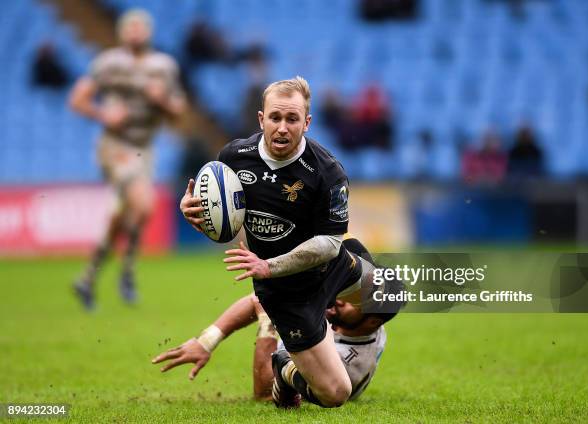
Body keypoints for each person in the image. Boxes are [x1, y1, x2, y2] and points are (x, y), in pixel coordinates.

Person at [180, 76, 368, 408]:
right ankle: (284, 369)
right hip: (286, 292)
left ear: (307, 123)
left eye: (292, 119)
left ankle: (363, 340)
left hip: (330, 266)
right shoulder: (234, 158)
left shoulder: (327, 172)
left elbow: (329, 243)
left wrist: (268, 264)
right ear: (261, 119)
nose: (282, 127)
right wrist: (193, 212)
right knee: (336, 393)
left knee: (391, 292)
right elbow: (216, 216)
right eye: (275, 118)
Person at [152, 237, 398, 404]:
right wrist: (207, 341)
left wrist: (268, 322)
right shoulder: (348, 310)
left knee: (273, 313)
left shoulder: (347, 366)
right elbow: (254, 299)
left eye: (352, 299)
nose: (341, 297)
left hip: (305, 371)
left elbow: (265, 393)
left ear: (372, 322)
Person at [69, 9, 186, 309]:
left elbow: (178, 113)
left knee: (131, 213)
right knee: (143, 203)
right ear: (122, 32)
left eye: (140, 27)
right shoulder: (109, 63)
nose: (135, 31)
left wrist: (162, 100)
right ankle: (128, 273)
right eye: (129, 27)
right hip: (115, 145)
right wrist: (102, 114)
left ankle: (88, 277)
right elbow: (78, 99)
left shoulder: (163, 66)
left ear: (148, 32)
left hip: (144, 149)